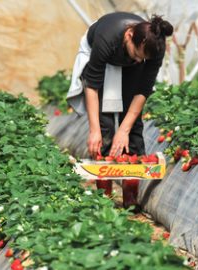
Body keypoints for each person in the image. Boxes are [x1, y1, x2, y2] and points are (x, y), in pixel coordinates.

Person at [66, 12, 173, 210]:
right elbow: (92, 85)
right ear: (129, 35)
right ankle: (104, 195)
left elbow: (142, 91)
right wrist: (94, 130)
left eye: (142, 58)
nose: (138, 60)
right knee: (104, 125)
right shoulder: (107, 37)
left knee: (133, 126)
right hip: (105, 56)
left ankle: (131, 196)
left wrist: (124, 130)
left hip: (126, 59)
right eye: (136, 54)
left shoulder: (154, 46)